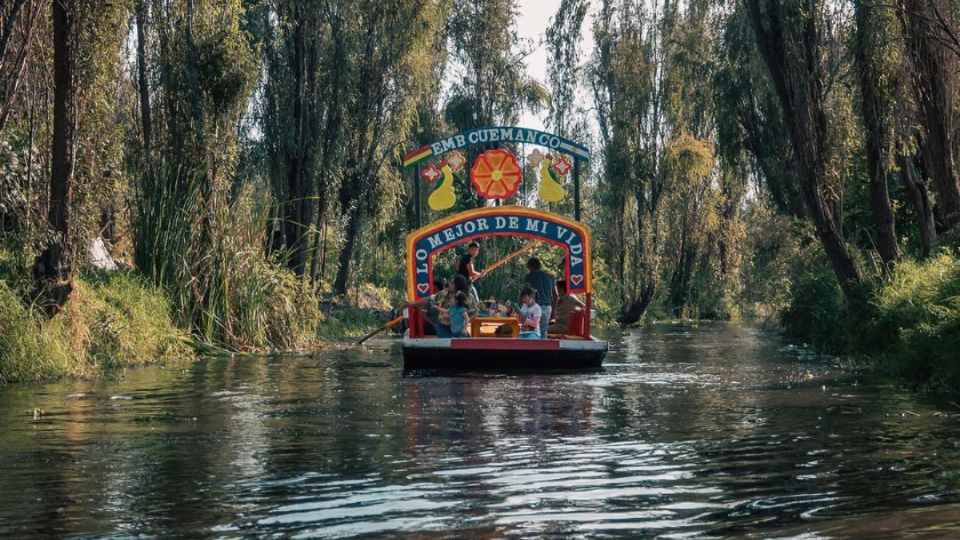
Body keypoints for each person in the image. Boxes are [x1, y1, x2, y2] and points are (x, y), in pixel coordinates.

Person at [523, 257, 557, 339]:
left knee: (532, 332)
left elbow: (526, 294)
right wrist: (554, 311)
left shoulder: (529, 276)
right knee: (543, 332)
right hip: (548, 307)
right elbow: (555, 295)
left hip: (536, 308)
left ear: (529, 267)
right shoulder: (550, 277)